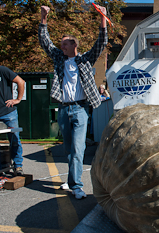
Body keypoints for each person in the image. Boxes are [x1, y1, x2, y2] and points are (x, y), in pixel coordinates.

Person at [39, 5, 107, 199]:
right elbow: (45, 42)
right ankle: (70, 181)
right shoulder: (59, 58)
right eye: (61, 43)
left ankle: (77, 186)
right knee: (69, 149)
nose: (62, 46)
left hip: (80, 109)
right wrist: (43, 18)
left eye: (65, 44)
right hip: (63, 109)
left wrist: (103, 18)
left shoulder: (85, 59)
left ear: (74, 45)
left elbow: (100, 43)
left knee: (78, 148)